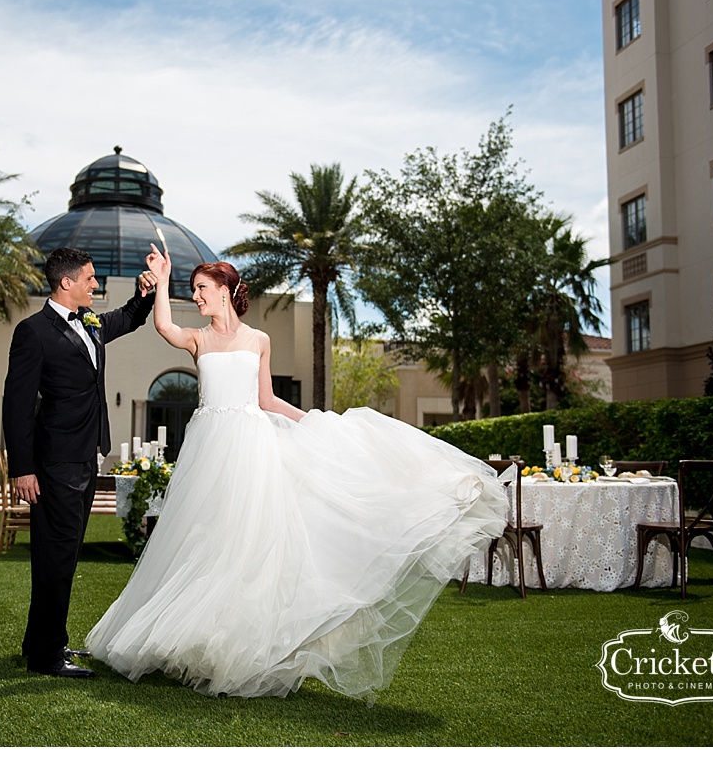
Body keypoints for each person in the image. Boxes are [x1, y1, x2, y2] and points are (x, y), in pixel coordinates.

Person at [84, 246, 509, 700]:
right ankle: (193, 639)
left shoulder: (258, 340)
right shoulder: (198, 338)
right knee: (204, 541)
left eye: (203, 289)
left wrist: (316, 422)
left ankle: (237, 645)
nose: (199, 297)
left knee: (249, 544)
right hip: (209, 448)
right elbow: (164, 326)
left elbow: (267, 400)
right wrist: (163, 279)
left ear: (226, 290)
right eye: (194, 291)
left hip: (250, 446)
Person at [3, 246, 157, 679]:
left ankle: (42, 642)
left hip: (86, 458)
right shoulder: (33, 332)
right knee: (55, 557)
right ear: (66, 282)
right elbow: (16, 405)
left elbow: (126, 319)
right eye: (90, 278)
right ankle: (48, 656)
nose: (95, 284)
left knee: (63, 555)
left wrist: (145, 294)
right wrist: (23, 468)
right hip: (54, 463)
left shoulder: (91, 322)